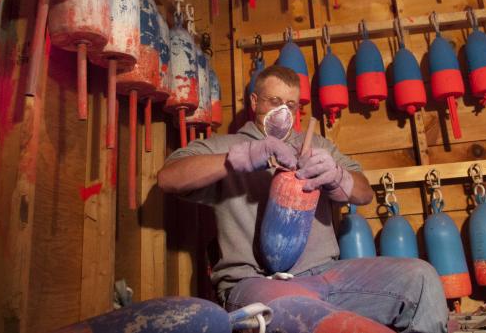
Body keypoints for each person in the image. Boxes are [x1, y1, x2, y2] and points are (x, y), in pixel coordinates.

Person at [158, 64, 448, 333]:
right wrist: (242, 157)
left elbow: (365, 193)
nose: (283, 110)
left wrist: (337, 177)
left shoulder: (318, 146)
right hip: (258, 282)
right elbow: (169, 178)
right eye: (274, 101)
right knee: (298, 312)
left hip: (329, 275)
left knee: (420, 277)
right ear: (255, 102)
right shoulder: (226, 146)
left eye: (292, 105)